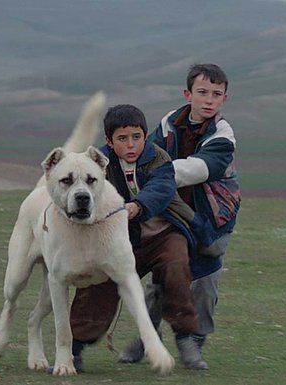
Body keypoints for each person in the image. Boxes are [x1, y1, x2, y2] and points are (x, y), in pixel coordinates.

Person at [67, 103, 213, 371]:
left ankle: (185, 339)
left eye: (137, 137)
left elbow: (162, 188)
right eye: (122, 139)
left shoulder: (158, 158)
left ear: (145, 136)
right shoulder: (97, 164)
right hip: (118, 239)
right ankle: (74, 348)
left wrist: (138, 205)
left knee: (176, 266)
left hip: (163, 233)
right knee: (98, 282)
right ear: (110, 142)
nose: (131, 144)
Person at [118, 63, 241, 369]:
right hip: (172, 214)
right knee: (163, 277)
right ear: (188, 94)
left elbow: (199, 169)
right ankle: (148, 338)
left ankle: (195, 343)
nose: (208, 99)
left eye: (216, 94)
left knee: (205, 281)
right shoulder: (168, 123)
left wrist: (155, 176)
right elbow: (144, 152)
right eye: (202, 92)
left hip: (212, 218)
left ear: (225, 98)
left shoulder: (223, 136)